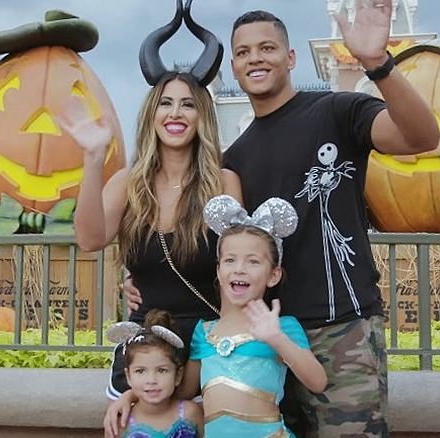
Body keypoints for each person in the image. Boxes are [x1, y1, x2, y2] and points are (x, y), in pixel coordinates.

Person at [221, 3, 440, 437]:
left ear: (290, 58)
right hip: (273, 336)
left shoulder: (337, 112)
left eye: (267, 48)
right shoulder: (237, 157)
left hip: (343, 328)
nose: (255, 58)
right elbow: (234, 253)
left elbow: (423, 137)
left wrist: (377, 64)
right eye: (244, 52)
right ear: (234, 65)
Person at [58, 0, 241, 402]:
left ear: (202, 116)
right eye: (166, 103)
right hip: (145, 353)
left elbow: (239, 271)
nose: (176, 113)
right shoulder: (128, 181)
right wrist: (93, 159)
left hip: (208, 345)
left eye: (188, 103)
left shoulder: (223, 183)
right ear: (152, 114)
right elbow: (90, 239)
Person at [107, 195, 327, 438]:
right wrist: (130, 395)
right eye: (230, 260)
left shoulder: (281, 326)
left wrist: (277, 339)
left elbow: (317, 382)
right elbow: (182, 392)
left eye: (253, 261)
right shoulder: (205, 332)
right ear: (219, 270)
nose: (239, 268)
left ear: (273, 275)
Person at [106, 309, 204, 438]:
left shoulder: (191, 413)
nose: (151, 380)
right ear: (128, 376)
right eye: (140, 371)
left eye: (162, 370)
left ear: (178, 375)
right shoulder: (121, 422)